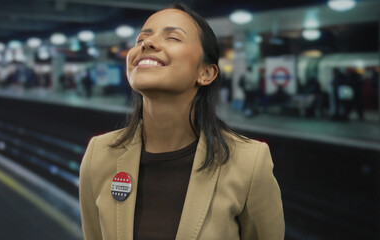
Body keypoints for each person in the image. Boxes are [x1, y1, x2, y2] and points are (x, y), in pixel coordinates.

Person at [79, 3, 284, 240]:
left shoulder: (248, 163)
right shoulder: (100, 153)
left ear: (205, 73)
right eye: (140, 40)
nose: (147, 43)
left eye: (173, 37)